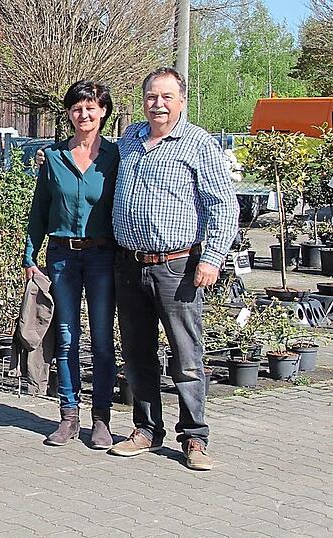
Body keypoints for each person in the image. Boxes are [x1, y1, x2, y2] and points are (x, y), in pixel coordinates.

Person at [109, 67, 238, 471]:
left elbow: (223, 205)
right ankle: (146, 430)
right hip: (130, 265)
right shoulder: (130, 138)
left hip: (177, 266)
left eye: (167, 97)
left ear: (181, 100)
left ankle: (194, 437)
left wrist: (212, 258)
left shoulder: (198, 143)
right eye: (151, 96)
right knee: (137, 352)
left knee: (186, 355)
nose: (158, 104)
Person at [23, 80, 119, 449]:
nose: (84, 114)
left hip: (102, 256)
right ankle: (68, 415)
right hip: (62, 256)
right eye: (77, 108)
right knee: (65, 337)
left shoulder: (115, 157)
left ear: (103, 112)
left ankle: (101, 418)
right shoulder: (54, 158)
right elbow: (40, 210)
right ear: (69, 113)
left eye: (91, 107)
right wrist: (30, 255)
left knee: (102, 340)